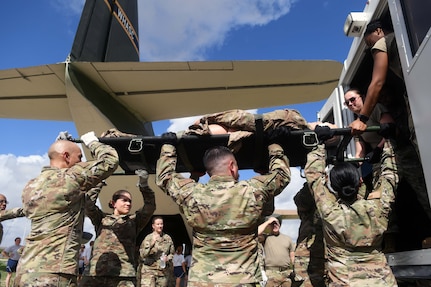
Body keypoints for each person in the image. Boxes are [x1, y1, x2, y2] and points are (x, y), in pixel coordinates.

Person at [155, 131, 291, 286]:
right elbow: (281, 174)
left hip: (203, 282)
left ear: (208, 170)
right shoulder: (253, 190)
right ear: (232, 166)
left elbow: (165, 177)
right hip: (243, 281)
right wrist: (275, 144)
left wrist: (168, 146)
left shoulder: (192, 193)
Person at [14, 131, 119, 287]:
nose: (81, 161)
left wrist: (62, 145)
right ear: (66, 156)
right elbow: (110, 160)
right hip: (55, 273)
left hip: (25, 271)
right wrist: (91, 142)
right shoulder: (71, 177)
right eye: (79, 157)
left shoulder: (31, 185)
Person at [304, 127, 399, 286]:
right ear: (360, 182)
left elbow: (314, 177)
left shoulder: (331, 212)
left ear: (333, 189)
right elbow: (390, 176)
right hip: (382, 282)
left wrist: (319, 144)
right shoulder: (378, 208)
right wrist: (388, 141)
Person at [79, 169, 156, 287]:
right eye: (124, 200)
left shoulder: (134, 220)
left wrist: (144, 185)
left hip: (123, 275)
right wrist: (99, 183)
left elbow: (150, 207)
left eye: (130, 201)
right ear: (113, 203)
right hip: (96, 272)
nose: (128, 204)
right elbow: (88, 205)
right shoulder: (101, 219)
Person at [293, 183, 325, 287]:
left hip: (329, 254)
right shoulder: (307, 195)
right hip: (306, 255)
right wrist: (314, 182)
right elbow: (300, 201)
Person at [258, 216, 296, 287]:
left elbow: (292, 255)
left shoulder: (287, 239)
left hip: (286, 274)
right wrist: (268, 222)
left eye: (276, 223)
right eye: (272, 224)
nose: (274, 225)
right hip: (271, 274)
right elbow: (256, 233)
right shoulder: (265, 238)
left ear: (280, 225)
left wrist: (294, 270)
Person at [138, 216, 175, 287]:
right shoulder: (148, 238)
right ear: (153, 226)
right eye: (158, 224)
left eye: (161, 224)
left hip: (162, 272)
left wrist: (168, 258)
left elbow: (172, 253)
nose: (160, 226)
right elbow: (142, 255)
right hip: (149, 270)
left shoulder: (167, 238)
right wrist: (151, 244)